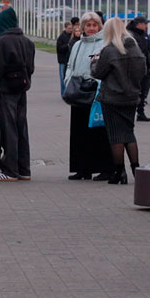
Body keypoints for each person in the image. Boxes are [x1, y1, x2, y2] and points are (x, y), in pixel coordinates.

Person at [92, 18, 148, 184]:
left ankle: (119, 171)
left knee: (115, 135)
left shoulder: (109, 51)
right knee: (129, 133)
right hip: (131, 97)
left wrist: (94, 61)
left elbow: (98, 73)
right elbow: (144, 70)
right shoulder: (135, 49)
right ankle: (136, 169)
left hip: (112, 98)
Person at [0, 9, 36, 181]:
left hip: (6, 91)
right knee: (21, 129)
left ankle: (10, 170)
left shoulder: (3, 42)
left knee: (8, 130)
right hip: (22, 90)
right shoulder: (28, 42)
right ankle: (24, 169)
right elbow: (31, 69)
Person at [63, 12, 113, 181]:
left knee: (98, 130)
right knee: (79, 131)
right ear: (83, 27)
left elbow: (104, 66)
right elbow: (70, 65)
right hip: (78, 90)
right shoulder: (77, 44)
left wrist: (98, 83)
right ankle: (82, 168)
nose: (91, 28)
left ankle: (104, 168)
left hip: (95, 91)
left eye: (94, 25)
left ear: (100, 27)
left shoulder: (104, 44)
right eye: (88, 25)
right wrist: (68, 80)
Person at [126, 16, 150, 122]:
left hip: (145, 66)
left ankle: (140, 112)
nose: (146, 26)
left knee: (143, 91)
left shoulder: (144, 35)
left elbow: (148, 49)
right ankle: (130, 112)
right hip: (134, 67)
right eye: (144, 24)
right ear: (139, 24)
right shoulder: (130, 34)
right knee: (133, 91)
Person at [56, 19, 76, 94]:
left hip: (70, 60)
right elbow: (59, 49)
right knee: (62, 77)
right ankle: (63, 93)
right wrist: (67, 45)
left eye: (71, 28)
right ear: (65, 28)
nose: (70, 30)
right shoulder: (61, 37)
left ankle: (69, 92)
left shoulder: (72, 36)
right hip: (63, 60)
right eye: (69, 28)